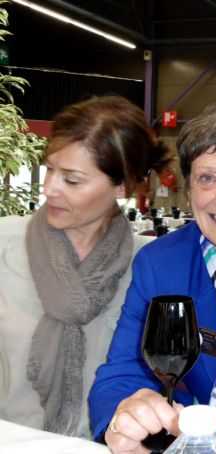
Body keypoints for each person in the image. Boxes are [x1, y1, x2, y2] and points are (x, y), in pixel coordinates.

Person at [88, 99, 216, 452]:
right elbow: (123, 372)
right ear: (189, 190)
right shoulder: (162, 264)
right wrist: (124, 417)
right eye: (207, 178)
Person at [0, 95, 172, 437]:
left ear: (122, 185)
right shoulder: (5, 245)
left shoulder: (148, 268)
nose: (49, 188)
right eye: (50, 169)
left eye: (72, 179)